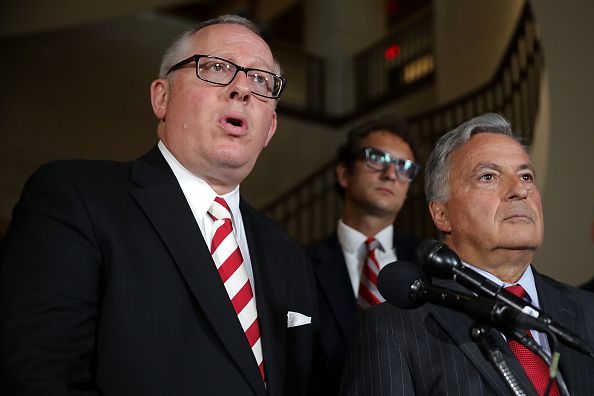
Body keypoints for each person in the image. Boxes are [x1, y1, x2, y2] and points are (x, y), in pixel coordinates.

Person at [0, 15, 318, 396]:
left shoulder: (288, 255)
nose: (242, 90)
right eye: (216, 67)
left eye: (260, 80)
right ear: (162, 98)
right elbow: (40, 375)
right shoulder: (75, 197)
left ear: (269, 129)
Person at [341, 113, 594, 395]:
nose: (520, 190)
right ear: (442, 214)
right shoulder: (392, 328)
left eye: (526, 176)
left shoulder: (588, 310)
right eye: (488, 176)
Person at [309, 118, 421, 394]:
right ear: (344, 173)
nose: (391, 174)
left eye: (404, 167)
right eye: (377, 158)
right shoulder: (300, 265)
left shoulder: (428, 264)